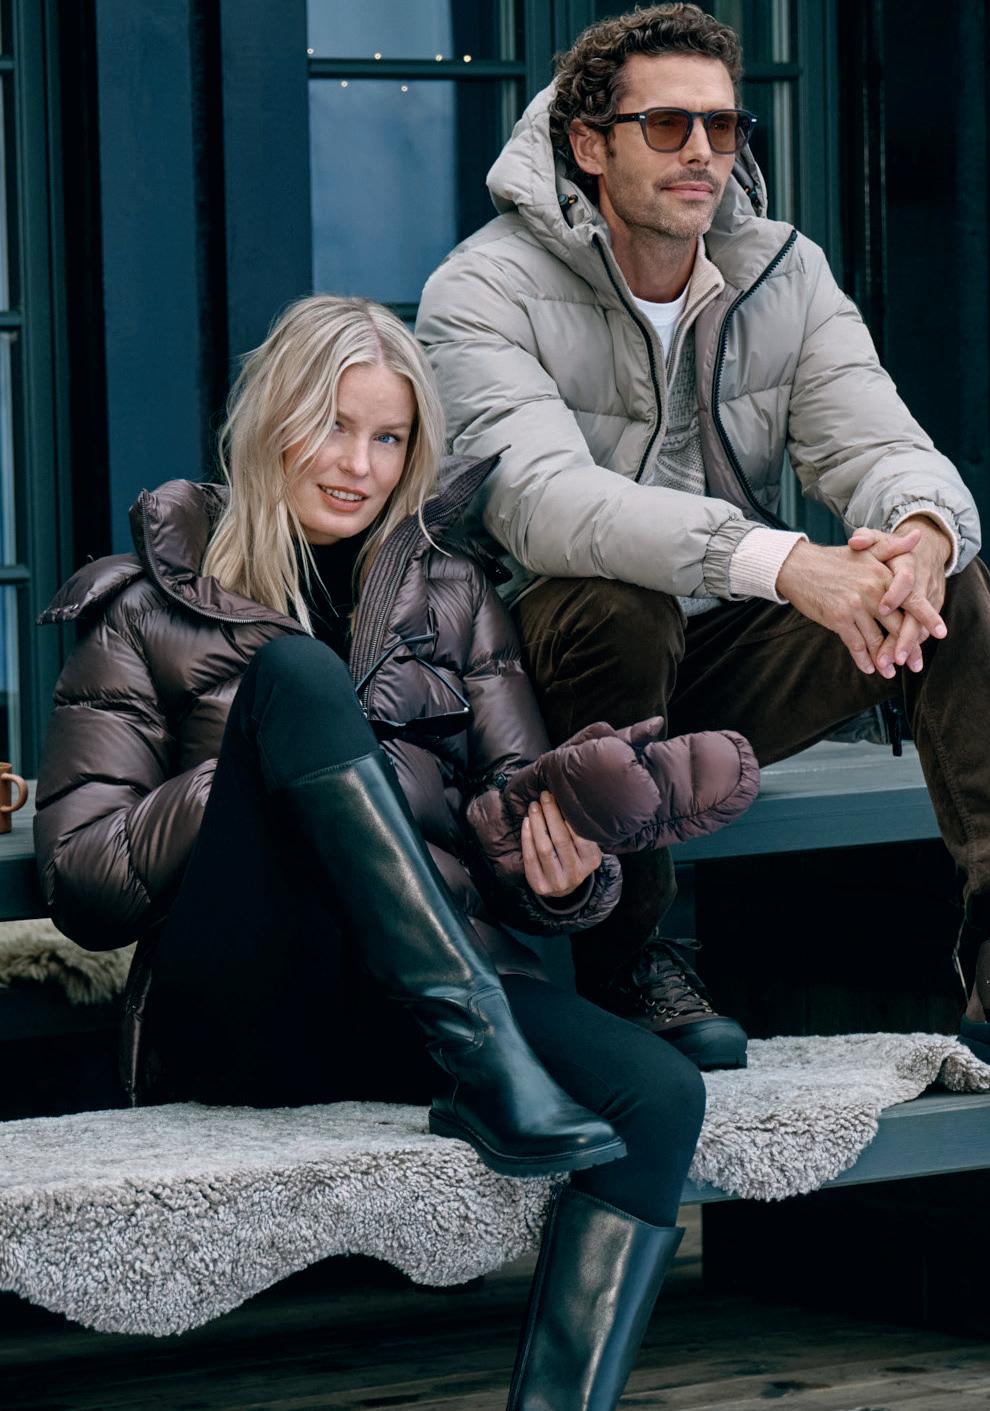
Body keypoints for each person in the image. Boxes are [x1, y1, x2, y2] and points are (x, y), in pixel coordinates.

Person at [34, 294, 759, 1407]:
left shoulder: (456, 593)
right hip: (245, 1008)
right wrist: (261, 771)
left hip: (421, 1008)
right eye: (333, 425)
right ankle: (485, 1054)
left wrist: (565, 872)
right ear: (270, 419)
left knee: (659, 1092)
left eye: (389, 437)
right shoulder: (144, 609)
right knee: (297, 678)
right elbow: (82, 881)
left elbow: (510, 806)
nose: (359, 465)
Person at [416, 1, 990, 1072]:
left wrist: (917, 531)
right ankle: (628, 957)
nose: (702, 153)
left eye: (723, 127)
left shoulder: (782, 271)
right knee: (620, 604)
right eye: (668, 125)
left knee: (952, 583)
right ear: (590, 145)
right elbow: (547, 504)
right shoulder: (483, 291)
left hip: (716, 663)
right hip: (543, 683)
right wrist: (782, 561)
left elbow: (877, 442)